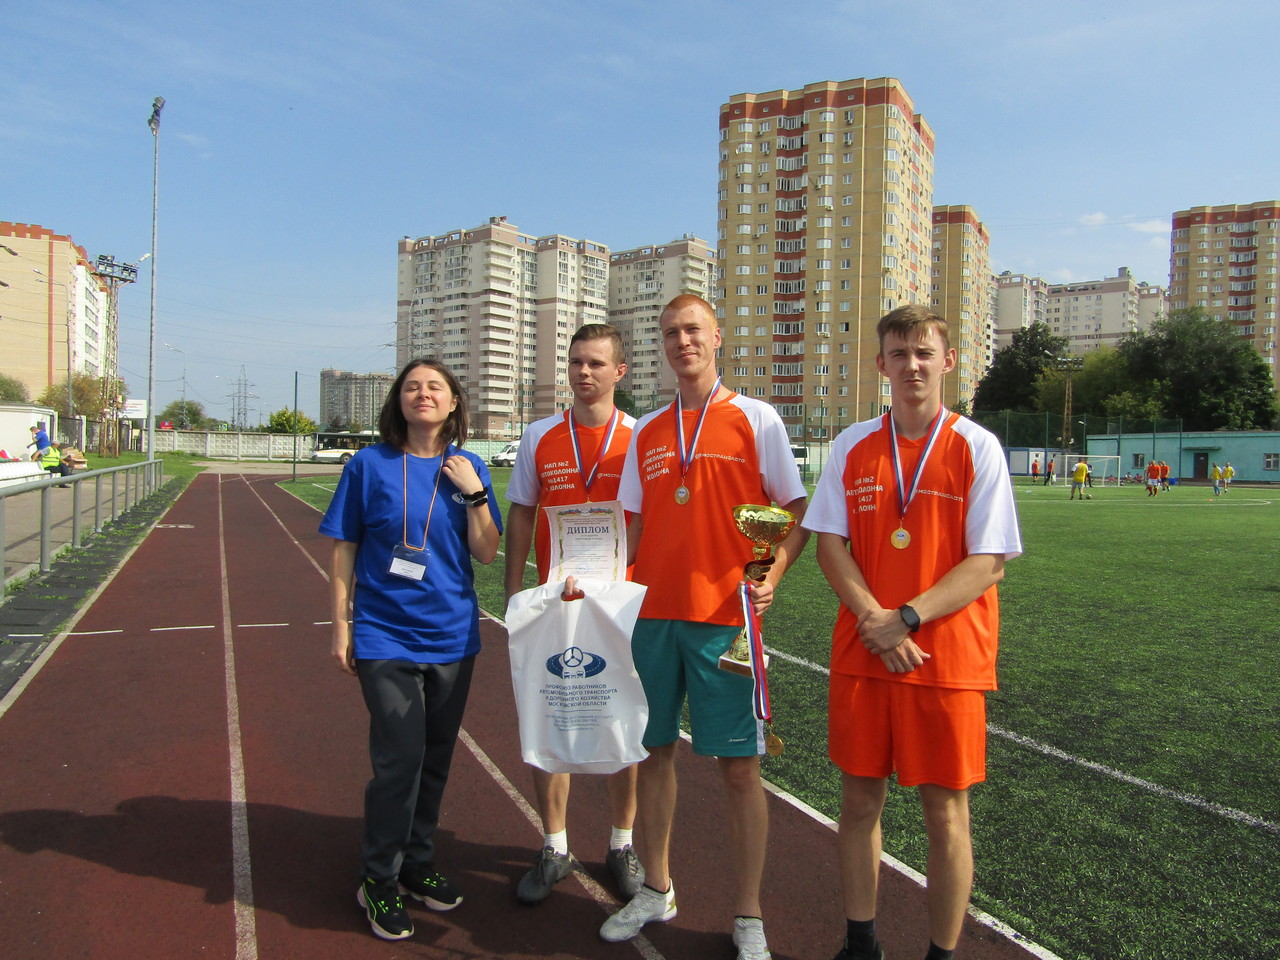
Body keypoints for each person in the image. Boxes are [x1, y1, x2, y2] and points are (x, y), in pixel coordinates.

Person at [803, 305, 1022, 960]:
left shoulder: (976, 446)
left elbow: (988, 562)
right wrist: (876, 619)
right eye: (899, 354)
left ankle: (941, 954)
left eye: (924, 352)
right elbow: (829, 546)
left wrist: (904, 618)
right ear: (881, 365)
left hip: (944, 659)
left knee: (945, 815)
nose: (913, 365)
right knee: (858, 805)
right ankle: (860, 944)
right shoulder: (852, 445)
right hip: (865, 653)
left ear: (948, 361)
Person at [599, 294, 808, 960]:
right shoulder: (648, 431)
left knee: (740, 770)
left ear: (717, 337)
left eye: (693, 329)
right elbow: (631, 528)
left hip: (726, 621)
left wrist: (773, 573)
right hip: (655, 618)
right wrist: (592, 582)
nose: (682, 341)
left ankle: (749, 916)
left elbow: (794, 510)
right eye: (670, 333)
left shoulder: (756, 418)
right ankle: (656, 888)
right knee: (653, 756)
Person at [320, 359, 502, 942]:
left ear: (454, 402)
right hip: (385, 635)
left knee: (436, 758)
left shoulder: (469, 467)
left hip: (452, 635)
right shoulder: (369, 465)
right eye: (412, 386)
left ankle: (418, 861)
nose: (423, 394)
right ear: (398, 400)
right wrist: (342, 626)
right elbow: (344, 548)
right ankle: (378, 877)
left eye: (435, 387)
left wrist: (475, 494)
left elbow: (487, 552)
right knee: (399, 758)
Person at [504, 323, 644, 905]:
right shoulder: (539, 435)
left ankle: (622, 844)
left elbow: (650, 519)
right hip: (554, 602)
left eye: (596, 363)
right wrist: (513, 591)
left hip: (619, 606)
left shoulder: (640, 436)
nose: (584, 372)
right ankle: (555, 845)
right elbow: (521, 511)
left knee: (625, 722)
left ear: (620, 372)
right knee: (551, 716)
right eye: (576, 362)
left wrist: (622, 576)